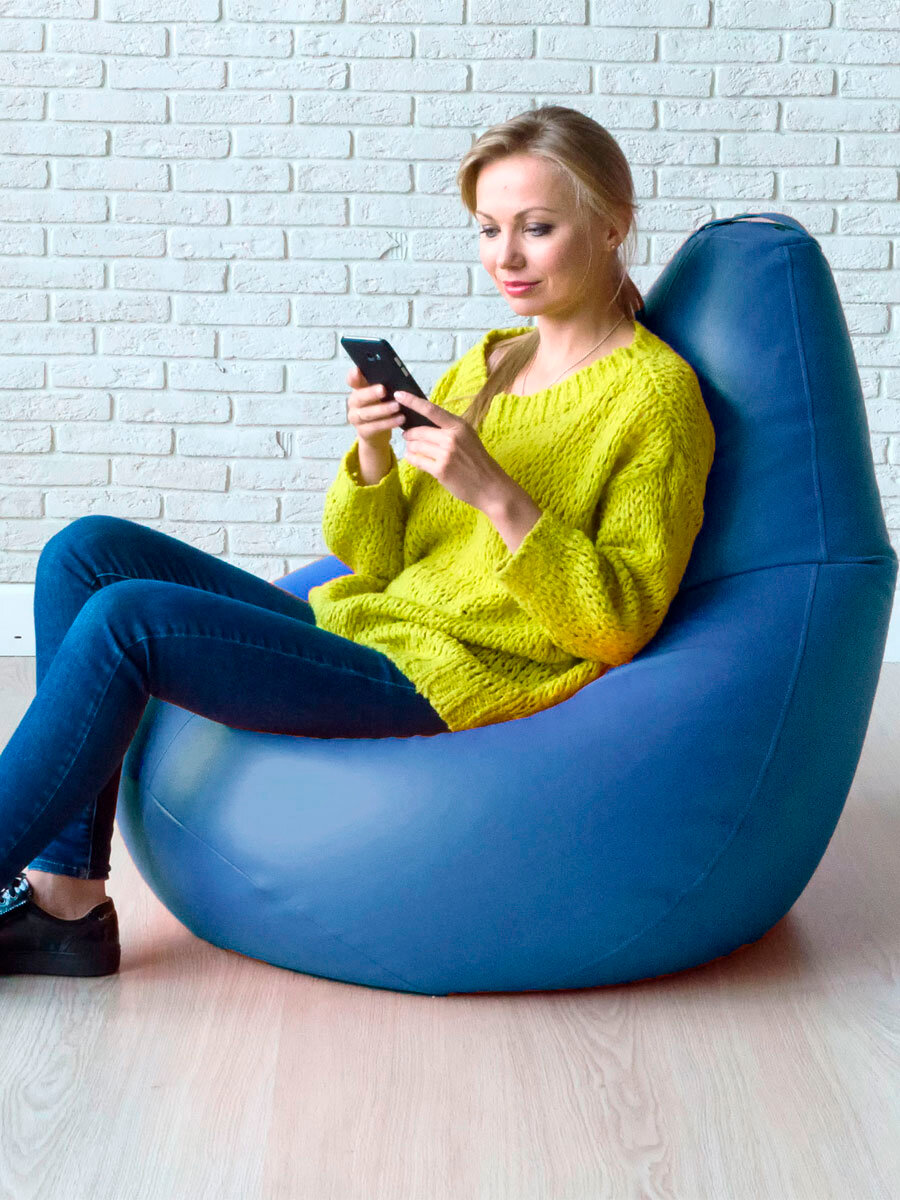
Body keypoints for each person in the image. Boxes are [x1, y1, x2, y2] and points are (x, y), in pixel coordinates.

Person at [0, 104, 715, 978]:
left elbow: (621, 623)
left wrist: (498, 494)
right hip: (375, 625)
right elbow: (378, 558)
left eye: (537, 228)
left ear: (611, 225)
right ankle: (66, 900)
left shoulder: (655, 398)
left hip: (454, 676)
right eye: (488, 229)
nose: (506, 257)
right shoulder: (492, 362)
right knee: (84, 551)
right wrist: (374, 451)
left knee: (129, 623)